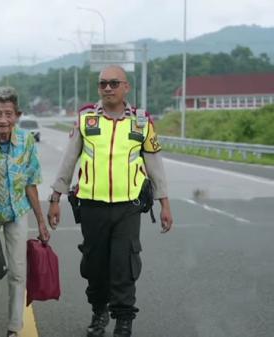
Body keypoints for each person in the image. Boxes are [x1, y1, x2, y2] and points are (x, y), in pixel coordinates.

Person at [47, 65, 174, 337]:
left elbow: (155, 165)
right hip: (91, 206)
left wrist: (165, 203)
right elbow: (68, 161)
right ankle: (98, 311)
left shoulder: (142, 122)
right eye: (103, 83)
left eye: (114, 83)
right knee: (94, 265)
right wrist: (55, 197)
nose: (107, 88)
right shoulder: (86, 120)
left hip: (128, 207)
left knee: (124, 265)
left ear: (126, 87)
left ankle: (124, 320)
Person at [0, 86, 52, 337]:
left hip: (18, 213)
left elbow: (31, 183)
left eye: (8, 114)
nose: (3, 120)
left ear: (17, 115)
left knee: (18, 272)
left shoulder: (26, 141)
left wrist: (41, 221)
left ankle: (14, 328)